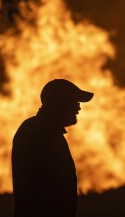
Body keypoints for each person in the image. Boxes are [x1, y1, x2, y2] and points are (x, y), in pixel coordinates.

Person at [12, 79, 94, 217]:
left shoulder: (43, 131)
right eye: (75, 101)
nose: (78, 108)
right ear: (61, 103)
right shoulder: (41, 133)